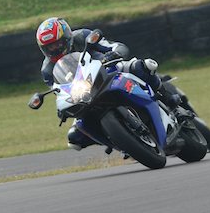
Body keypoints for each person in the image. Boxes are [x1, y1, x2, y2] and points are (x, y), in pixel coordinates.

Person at [36, 17, 180, 150]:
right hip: (83, 92)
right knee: (75, 137)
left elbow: (117, 46)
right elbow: (60, 91)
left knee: (141, 67)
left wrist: (114, 53)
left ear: (67, 37)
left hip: (109, 69)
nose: (54, 49)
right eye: (49, 47)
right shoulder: (47, 70)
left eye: (57, 43)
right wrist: (62, 107)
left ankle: (168, 97)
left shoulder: (83, 36)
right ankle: (120, 143)